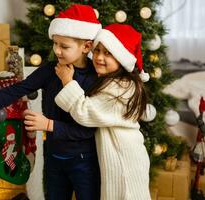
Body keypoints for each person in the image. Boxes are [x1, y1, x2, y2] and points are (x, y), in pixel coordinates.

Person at [0, 4, 102, 200]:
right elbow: (17, 89)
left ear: (86, 46)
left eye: (64, 46)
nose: (57, 51)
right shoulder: (50, 70)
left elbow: (88, 129)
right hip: (53, 157)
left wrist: (48, 125)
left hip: (83, 160)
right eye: (55, 44)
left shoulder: (95, 78)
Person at [24, 24, 151, 199]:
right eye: (97, 51)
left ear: (122, 58)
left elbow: (85, 112)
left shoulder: (121, 86)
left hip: (123, 158)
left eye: (107, 53)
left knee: (126, 194)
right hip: (114, 153)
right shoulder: (109, 80)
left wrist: (67, 81)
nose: (98, 57)